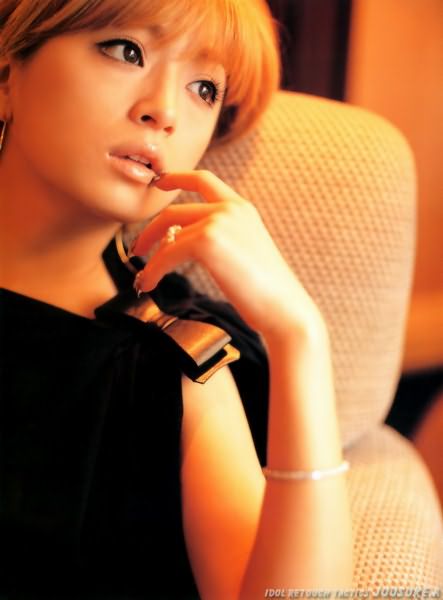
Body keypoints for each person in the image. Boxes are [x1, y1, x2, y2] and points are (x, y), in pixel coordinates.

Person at [0, 1, 353, 598]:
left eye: (204, 88)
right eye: (126, 50)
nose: (163, 111)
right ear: (8, 74)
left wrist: (300, 336)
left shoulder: (174, 365)